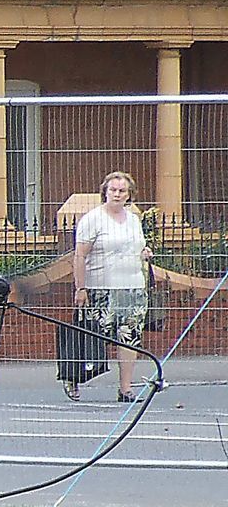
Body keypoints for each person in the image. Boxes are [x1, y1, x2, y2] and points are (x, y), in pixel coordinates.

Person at [67, 170, 153, 403]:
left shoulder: (134, 219)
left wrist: (144, 253)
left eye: (121, 191)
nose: (116, 194)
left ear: (129, 195)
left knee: (129, 337)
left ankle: (125, 389)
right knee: (93, 335)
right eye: (112, 190)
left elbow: (137, 247)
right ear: (104, 192)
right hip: (101, 288)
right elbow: (80, 255)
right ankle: (73, 377)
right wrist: (80, 288)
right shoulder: (92, 219)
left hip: (133, 287)